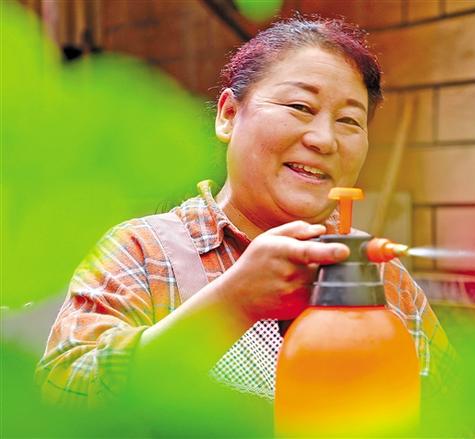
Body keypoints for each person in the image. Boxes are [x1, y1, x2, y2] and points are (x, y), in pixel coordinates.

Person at [36, 16, 452, 408]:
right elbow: (60, 397)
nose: (325, 139)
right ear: (228, 115)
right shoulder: (143, 252)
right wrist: (230, 305)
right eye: (300, 107)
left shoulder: (384, 277)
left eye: (349, 121)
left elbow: (459, 419)